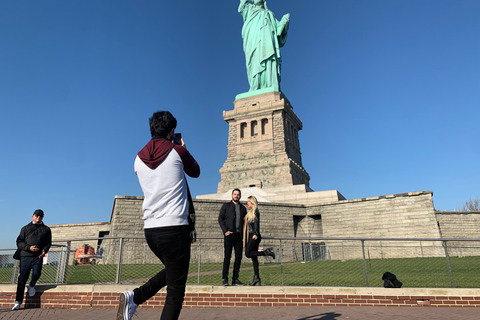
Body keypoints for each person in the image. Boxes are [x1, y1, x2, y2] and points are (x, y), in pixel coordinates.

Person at [117, 111, 200, 320]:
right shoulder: (178, 151)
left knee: (174, 273)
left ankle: (134, 297)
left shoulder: (137, 158)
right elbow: (196, 171)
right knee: (175, 291)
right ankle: (135, 297)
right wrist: (183, 148)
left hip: (151, 230)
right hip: (175, 227)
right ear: (172, 131)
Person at [238, 0, 290, 92]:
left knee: (269, 58)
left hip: (268, 43)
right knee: (255, 61)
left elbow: (278, 34)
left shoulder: (270, 14)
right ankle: (255, 85)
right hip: (253, 42)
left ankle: (270, 84)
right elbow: (242, 6)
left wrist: (283, 24)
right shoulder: (249, 10)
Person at [12, 209, 52, 311]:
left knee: (37, 273)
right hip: (25, 256)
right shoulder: (25, 228)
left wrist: (45, 250)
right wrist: (28, 248)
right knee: (22, 279)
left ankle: (32, 285)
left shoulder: (46, 229)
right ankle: (17, 302)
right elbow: (19, 242)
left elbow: (48, 243)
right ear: (32, 216)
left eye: (41, 216)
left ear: (43, 217)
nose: (39, 218)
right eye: (37, 216)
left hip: (38, 256)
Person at [243, 196, 275, 286]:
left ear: (252, 202)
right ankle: (256, 277)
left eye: (248, 202)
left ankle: (265, 252)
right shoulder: (250, 212)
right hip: (251, 235)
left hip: (254, 236)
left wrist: (256, 234)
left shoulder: (256, 211)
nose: (247, 203)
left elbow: (257, 223)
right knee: (254, 258)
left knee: (248, 253)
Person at [218, 188, 247, 286]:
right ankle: (224, 278)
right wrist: (225, 231)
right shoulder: (226, 206)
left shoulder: (243, 208)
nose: (236, 196)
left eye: (238, 194)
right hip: (229, 235)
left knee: (238, 257)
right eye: (235, 194)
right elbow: (220, 219)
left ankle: (235, 279)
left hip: (239, 236)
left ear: (240, 196)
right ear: (232, 195)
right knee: (227, 257)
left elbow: (245, 223)